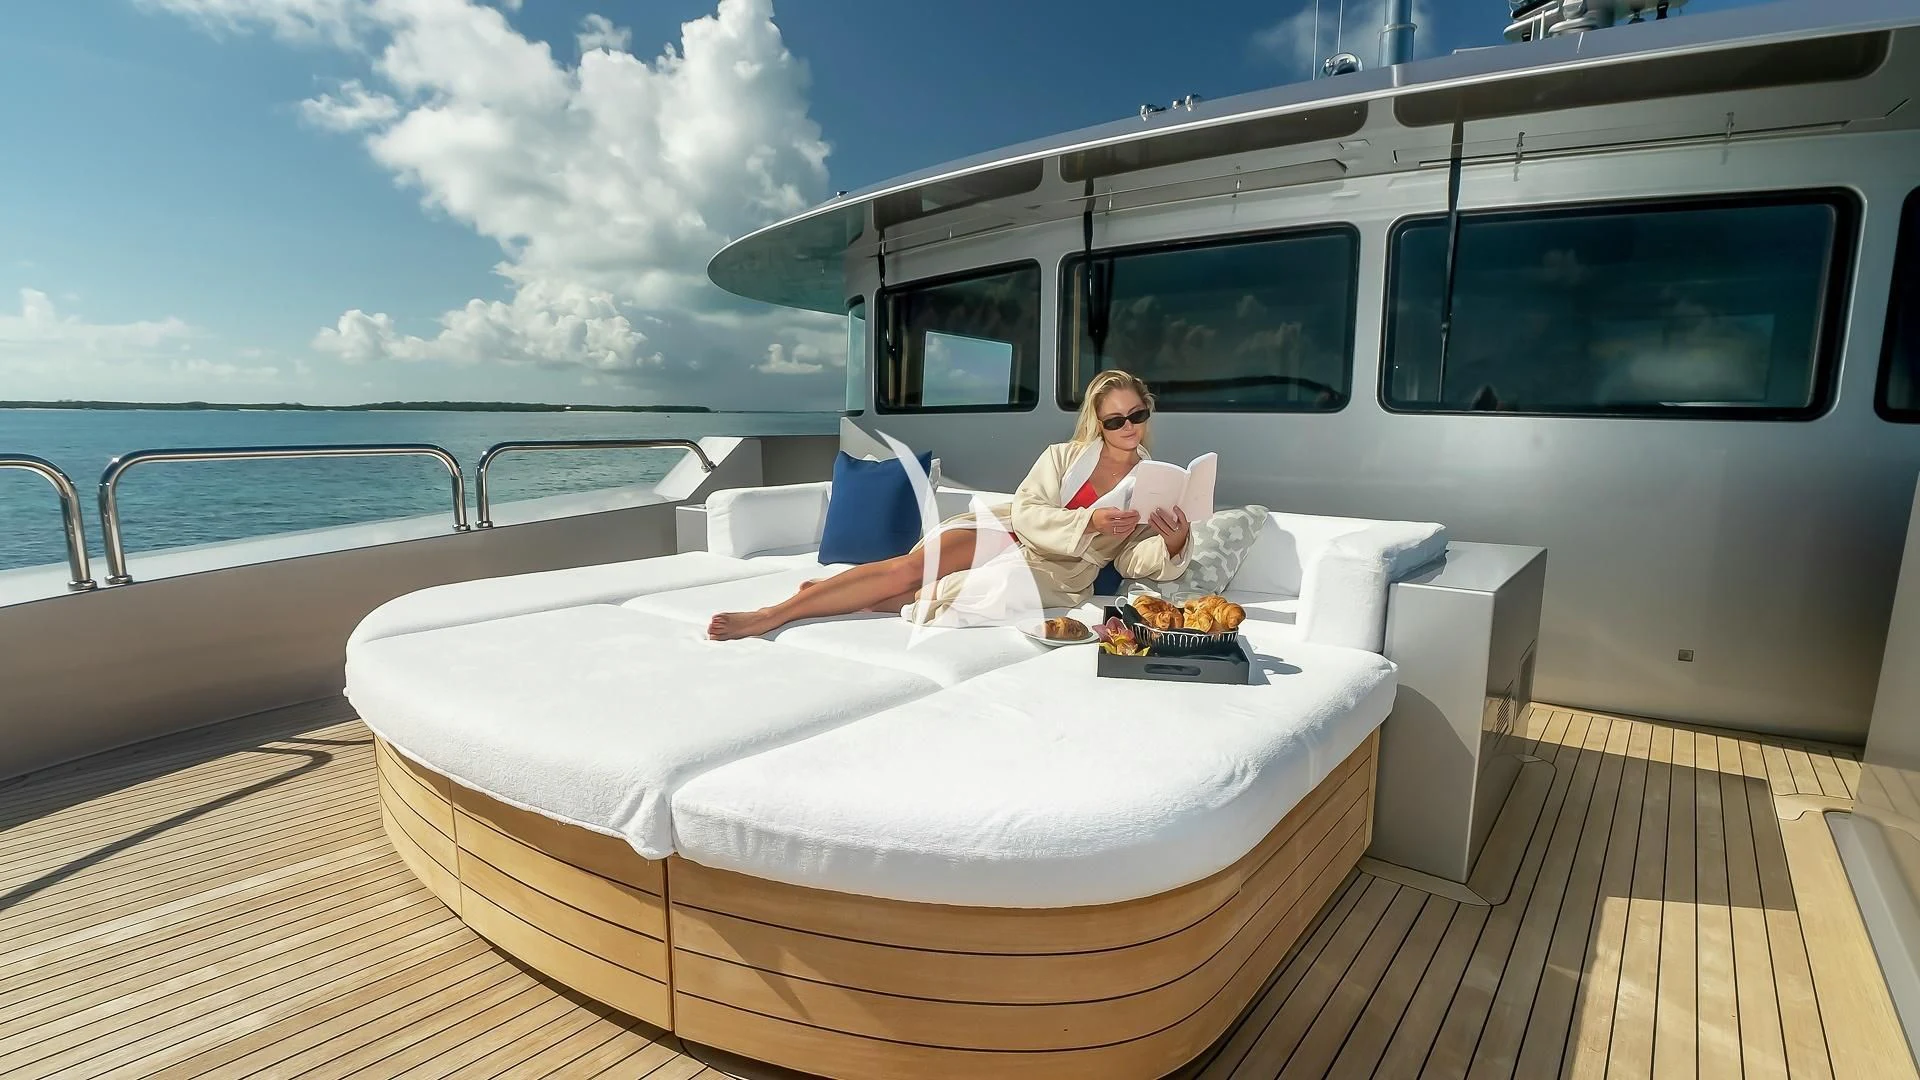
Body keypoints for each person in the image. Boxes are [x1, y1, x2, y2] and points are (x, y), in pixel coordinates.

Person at [705, 369, 1193, 640]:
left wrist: (1172, 543)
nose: (1128, 425)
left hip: (1057, 572)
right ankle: (774, 613)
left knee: (933, 595)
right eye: (1115, 420)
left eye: (1137, 414)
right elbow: (1026, 510)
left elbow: (1132, 559)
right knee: (909, 570)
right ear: (1098, 422)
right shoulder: (1063, 457)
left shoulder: (1152, 479)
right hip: (1011, 532)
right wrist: (1089, 518)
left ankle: (825, 595)